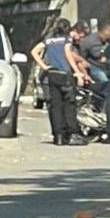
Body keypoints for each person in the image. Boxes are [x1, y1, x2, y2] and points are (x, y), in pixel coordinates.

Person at [31, 18, 89, 146]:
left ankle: (59, 136)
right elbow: (68, 54)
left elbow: (34, 51)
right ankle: (72, 134)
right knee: (69, 104)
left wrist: (44, 66)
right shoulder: (66, 40)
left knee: (56, 106)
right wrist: (77, 72)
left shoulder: (49, 40)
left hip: (52, 74)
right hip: (64, 75)